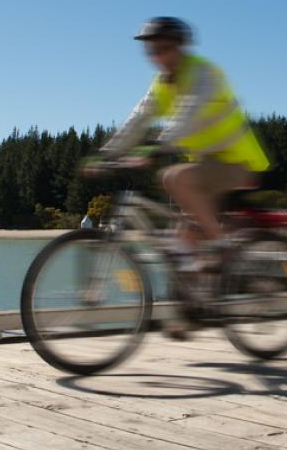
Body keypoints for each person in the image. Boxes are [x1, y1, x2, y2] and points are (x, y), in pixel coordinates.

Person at [87, 17, 270, 332]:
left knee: (173, 177)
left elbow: (189, 111)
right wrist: (107, 153)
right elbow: (138, 118)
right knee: (181, 240)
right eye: (151, 50)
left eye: (163, 48)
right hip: (207, 167)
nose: (157, 55)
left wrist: (158, 147)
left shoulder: (203, 74)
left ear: (179, 47)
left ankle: (221, 244)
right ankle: (196, 308)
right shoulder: (162, 84)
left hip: (238, 162)